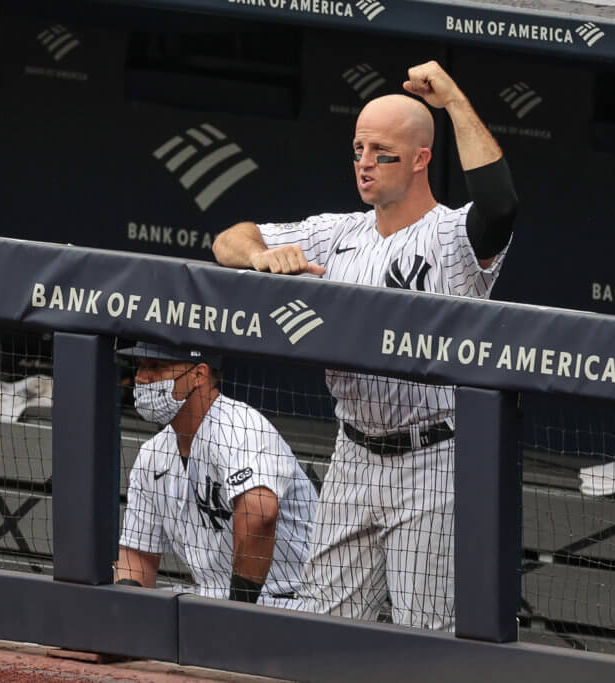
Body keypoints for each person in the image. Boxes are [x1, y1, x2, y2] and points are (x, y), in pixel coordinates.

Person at [211, 61, 518, 630]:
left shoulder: (450, 236)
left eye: (383, 153)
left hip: (434, 456)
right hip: (352, 452)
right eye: (358, 150)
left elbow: (500, 205)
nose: (365, 164)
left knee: (424, 638)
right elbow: (228, 238)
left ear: (422, 159)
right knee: (324, 632)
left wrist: (452, 99)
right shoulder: (338, 232)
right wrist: (259, 256)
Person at [114, 341, 318, 609]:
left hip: (289, 602)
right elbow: (137, 556)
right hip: (213, 602)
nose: (141, 377)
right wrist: (125, 616)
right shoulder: (152, 454)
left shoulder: (241, 427)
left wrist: (235, 616)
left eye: (157, 367)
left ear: (199, 375)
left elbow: (259, 515)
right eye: (140, 366)